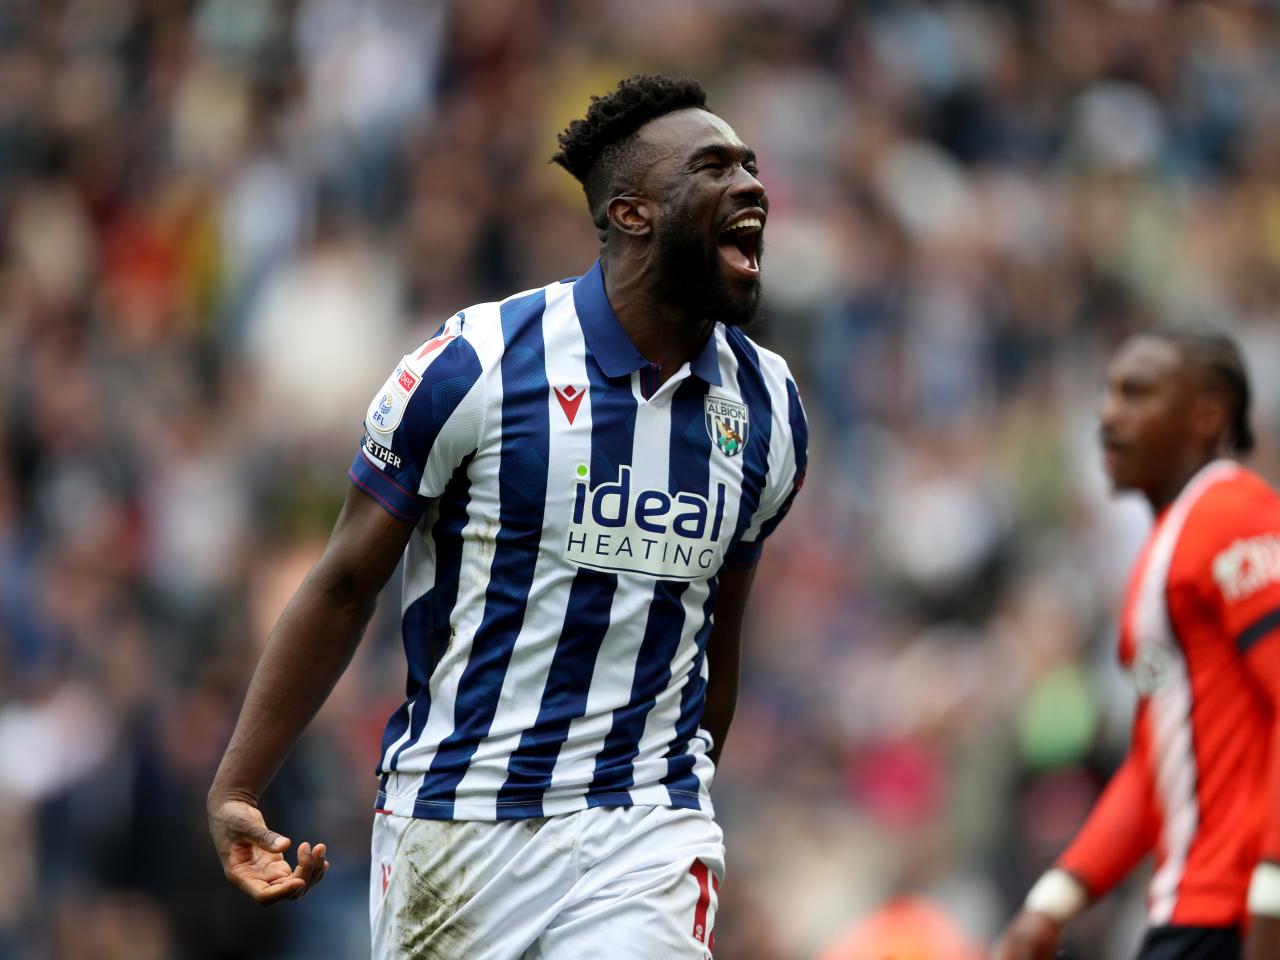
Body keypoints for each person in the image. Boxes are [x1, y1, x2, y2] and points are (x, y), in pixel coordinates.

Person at [206, 74, 807, 959]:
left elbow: (720, 636)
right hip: (456, 822)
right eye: (715, 167)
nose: (752, 185)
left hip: (643, 828)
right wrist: (239, 787)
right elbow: (342, 586)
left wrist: (674, 782)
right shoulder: (475, 365)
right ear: (631, 213)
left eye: (752, 166)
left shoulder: (768, 405)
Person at [995, 330, 1280, 960]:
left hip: (1235, 913)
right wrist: (1051, 907)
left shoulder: (1233, 515)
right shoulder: (1167, 546)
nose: (1107, 413)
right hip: (1194, 909)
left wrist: (1272, 896)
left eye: (1137, 393)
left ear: (1207, 415)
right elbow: (1152, 763)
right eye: (1106, 394)